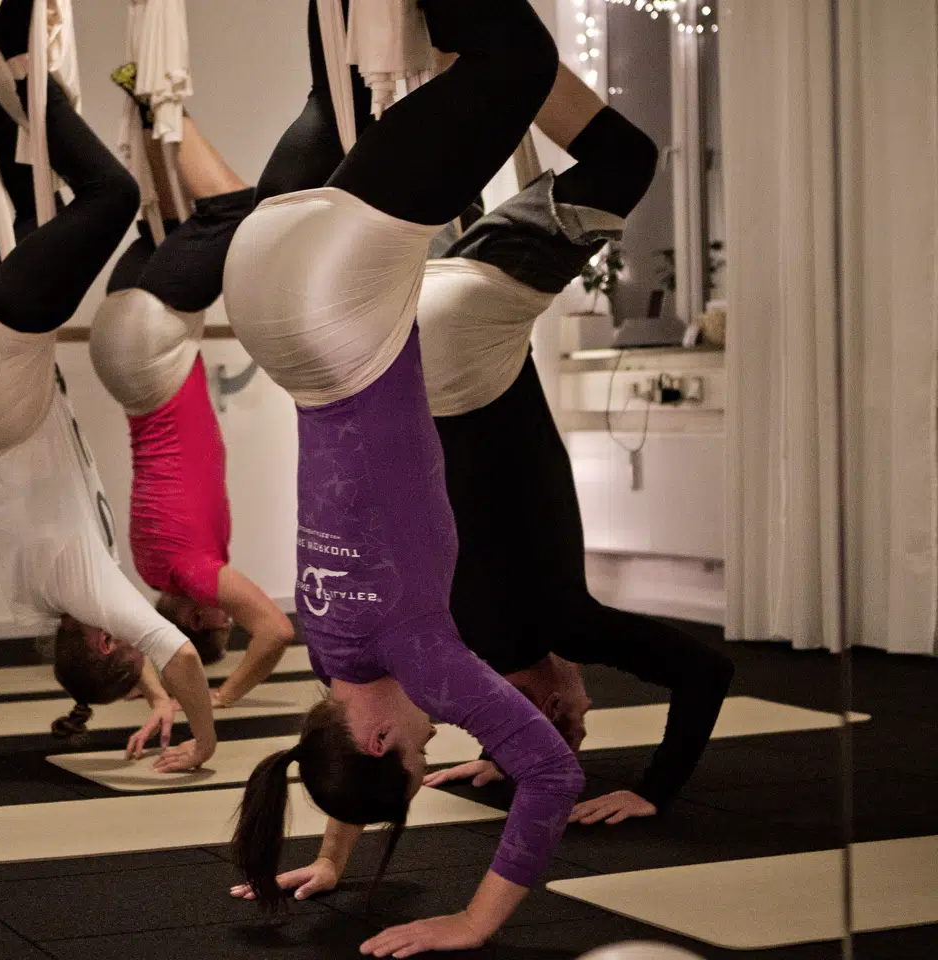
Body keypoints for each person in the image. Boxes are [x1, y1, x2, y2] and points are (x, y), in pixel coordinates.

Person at [224, 1, 581, 954]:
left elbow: (553, 776)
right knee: (341, 75)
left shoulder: (420, 654)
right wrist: (332, 856)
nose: (435, 735)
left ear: (384, 740)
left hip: (337, 308)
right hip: (266, 298)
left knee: (520, 58)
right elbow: (348, 747)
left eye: (424, 750)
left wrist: (470, 921)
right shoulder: (329, 653)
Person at [415, 64, 734, 825]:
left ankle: (505, 48)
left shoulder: (561, 622)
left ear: (553, 701)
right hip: (424, 345)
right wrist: (504, 750)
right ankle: (455, 53)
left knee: (625, 159)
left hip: (466, 333)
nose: (583, 711)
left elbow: (708, 673)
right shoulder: (473, 636)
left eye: (571, 720)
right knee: (422, 130)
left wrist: (653, 790)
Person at [0, 0, 216, 772]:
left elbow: (180, 653)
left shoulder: (88, 588)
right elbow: (139, 649)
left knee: (110, 198)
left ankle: (14, 55)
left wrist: (203, 735)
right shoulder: (54, 598)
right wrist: (151, 695)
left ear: (107, 640)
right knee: (31, 213)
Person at [89, 85, 296, 748]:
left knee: (234, 210)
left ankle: (162, 99)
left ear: (200, 617)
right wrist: (161, 684)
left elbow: (276, 632)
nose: (227, 613)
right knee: (172, 221)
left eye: (220, 622)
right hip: (124, 349)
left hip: (149, 352)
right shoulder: (155, 568)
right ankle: (150, 104)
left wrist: (223, 696)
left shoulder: (189, 572)